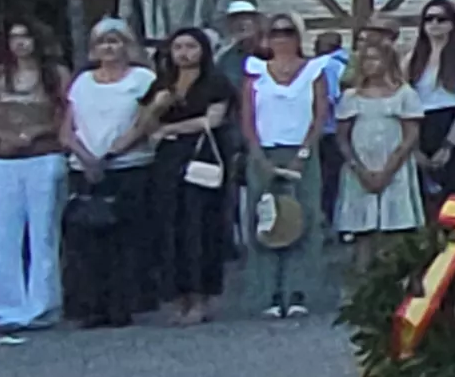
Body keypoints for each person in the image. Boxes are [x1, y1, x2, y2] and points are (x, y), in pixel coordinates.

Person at [61, 19, 161, 329]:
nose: (109, 48)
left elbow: (146, 122)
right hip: (85, 168)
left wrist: (113, 153)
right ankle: (90, 306)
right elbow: (67, 128)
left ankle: (123, 304)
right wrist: (86, 157)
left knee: (126, 241)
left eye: (115, 41)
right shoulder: (82, 82)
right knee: (86, 242)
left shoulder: (143, 79)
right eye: (103, 42)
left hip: (129, 166)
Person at [0, 21, 67, 336]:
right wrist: (2, 135)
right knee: (2, 234)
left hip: (43, 155)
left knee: (43, 233)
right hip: (2, 159)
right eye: (14, 38)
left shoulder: (56, 74)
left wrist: (37, 131)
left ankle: (43, 305)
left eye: (26, 37)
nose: (20, 43)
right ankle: (5, 307)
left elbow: (66, 115)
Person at [236, 18, 329, 320]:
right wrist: (257, 155)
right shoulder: (255, 72)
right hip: (264, 152)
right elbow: (247, 118)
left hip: (301, 152)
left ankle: (298, 290)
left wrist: (304, 152)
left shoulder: (314, 71)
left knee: (304, 218)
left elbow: (320, 116)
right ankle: (269, 293)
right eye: (275, 32)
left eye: (288, 32)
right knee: (266, 221)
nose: (281, 38)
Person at [143, 27, 237, 325]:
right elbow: (144, 123)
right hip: (168, 162)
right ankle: (178, 297)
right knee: (170, 227)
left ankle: (201, 297)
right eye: (178, 47)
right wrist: (157, 107)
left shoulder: (216, 82)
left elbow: (212, 120)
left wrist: (170, 128)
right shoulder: (162, 84)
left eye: (191, 47)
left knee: (201, 227)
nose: (184, 53)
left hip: (202, 156)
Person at [330, 30, 429, 260]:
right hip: (361, 167)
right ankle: (362, 277)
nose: (369, 64)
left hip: (394, 167)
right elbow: (342, 137)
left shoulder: (404, 94)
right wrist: (359, 169)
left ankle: (395, 277)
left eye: (375, 58)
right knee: (362, 231)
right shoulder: (351, 97)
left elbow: (410, 135)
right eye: (365, 59)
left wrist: (388, 170)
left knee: (395, 232)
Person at [407, 1, 455, 211]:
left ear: (452, 24)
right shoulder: (411, 59)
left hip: (454, 124)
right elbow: (404, 105)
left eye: (441, 19)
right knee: (422, 198)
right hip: (420, 124)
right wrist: (414, 148)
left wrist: (448, 145)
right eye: (429, 19)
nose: (434, 24)